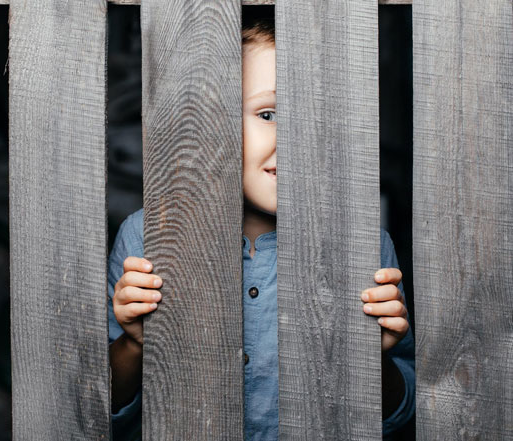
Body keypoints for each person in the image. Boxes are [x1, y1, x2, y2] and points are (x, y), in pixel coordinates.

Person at [107, 15, 415, 441]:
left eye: (310, 115)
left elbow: (400, 413)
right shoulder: (144, 237)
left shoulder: (366, 243)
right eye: (268, 113)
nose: (291, 136)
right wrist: (135, 344)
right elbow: (107, 412)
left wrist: (372, 358)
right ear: (214, 119)